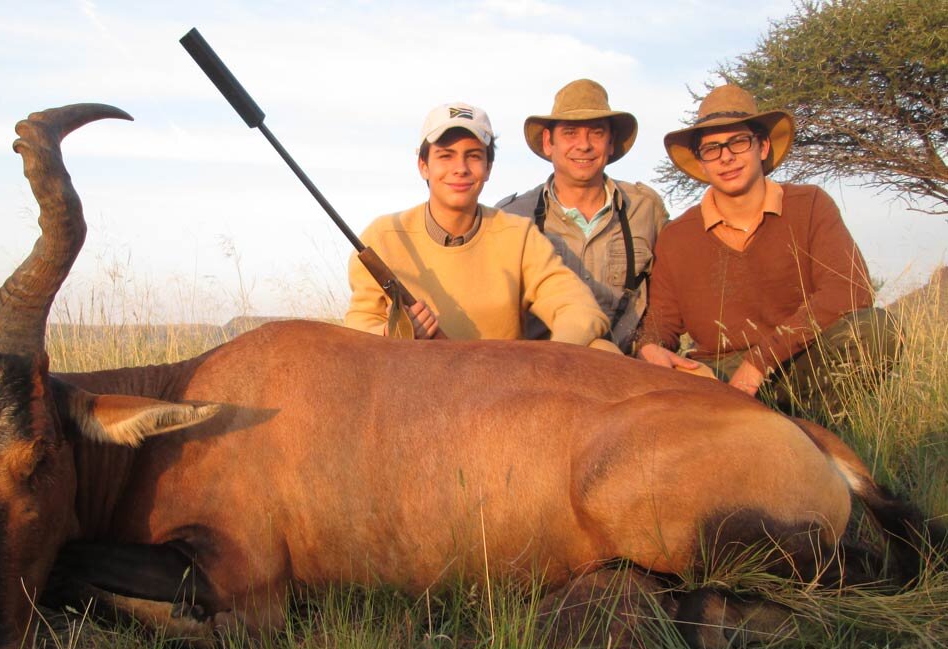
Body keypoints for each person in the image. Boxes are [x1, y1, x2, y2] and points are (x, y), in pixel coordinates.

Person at [637, 84, 899, 415]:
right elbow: (661, 323)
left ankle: (815, 436)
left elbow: (850, 288)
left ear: (761, 147)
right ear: (702, 163)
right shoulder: (677, 236)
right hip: (717, 375)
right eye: (712, 149)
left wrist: (761, 361)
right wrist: (650, 348)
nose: (726, 157)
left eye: (738, 142)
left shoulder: (810, 204)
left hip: (797, 358)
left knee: (875, 331)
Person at [344, 102, 611, 347]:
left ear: (488, 167)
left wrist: (551, 362)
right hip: (413, 386)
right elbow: (359, 325)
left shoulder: (519, 236)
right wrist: (394, 334)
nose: (460, 168)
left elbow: (578, 308)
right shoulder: (383, 236)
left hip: (503, 389)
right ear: (423, 166)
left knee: (601, 350)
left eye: (473, 156)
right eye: (446, 156)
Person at [496, 79, 668, 351]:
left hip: (631, 368)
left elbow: (667, 297)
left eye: (597, 133)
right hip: (545, 368)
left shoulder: (645, 209)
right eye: (570, 133)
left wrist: (650, 346)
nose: (584, 145)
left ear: (610, 144)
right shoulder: (513, 217)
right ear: (548, 142)